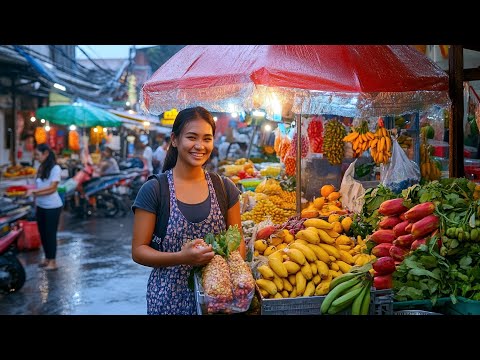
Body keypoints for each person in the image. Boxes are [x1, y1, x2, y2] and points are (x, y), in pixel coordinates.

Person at [131, 106, 246, 315]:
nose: (200, 146)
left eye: (207, 138)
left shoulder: (225, 188)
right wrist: (182, 257)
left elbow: (238, 246)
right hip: (168, 302)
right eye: (192, 137)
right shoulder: (155, 189)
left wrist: (235, 282)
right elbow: (139, 251)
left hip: (218, 302)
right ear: (174, 140)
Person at [26, 144, 63, 271]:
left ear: (46, 153)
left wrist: (34, 193)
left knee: (50, 234)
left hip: (52, 207)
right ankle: (47, 258)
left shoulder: (56, 168)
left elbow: (52, 189)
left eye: (37, 154)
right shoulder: (41, 167)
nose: (35, 157)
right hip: (41, 206)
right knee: (43, 233)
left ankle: (53, 262)